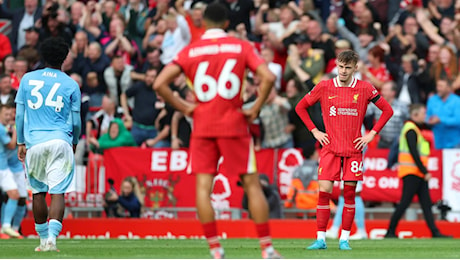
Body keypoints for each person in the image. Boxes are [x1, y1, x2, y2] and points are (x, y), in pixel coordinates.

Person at [153, 3, 282, 259]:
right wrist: (255, 107)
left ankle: (215, 249)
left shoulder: (191, 50)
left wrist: (186, 108)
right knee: (252, 184)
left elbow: (159, 83)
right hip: (234, 122)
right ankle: (267, 249)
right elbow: (268, 77)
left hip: (202, 124)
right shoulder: (241, 46)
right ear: (226, 23)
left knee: (203, 187)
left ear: (203, 23)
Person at [295, 50, 393, 250]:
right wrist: (315, 131)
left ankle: (344, 240)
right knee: (324, 192)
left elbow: (387, 110)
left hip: (353, 150)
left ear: (355, 68)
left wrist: (371, 134)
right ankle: (321, 239)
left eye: (348, 67)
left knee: (349, 195)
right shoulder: (324, 86)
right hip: (330, 148)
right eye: (340, 66)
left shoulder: (365, 88)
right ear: (336, 66)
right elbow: (300, 107)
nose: (343, 71)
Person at [15, 37, 81, 251]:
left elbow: (20, 114)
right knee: (58, 192)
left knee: (38, 192)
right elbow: (77, 121)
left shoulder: (27, 79)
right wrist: (74, 141)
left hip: (34, 142)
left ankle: (43, 241)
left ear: (43, 56)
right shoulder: (71, 84)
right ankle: (52, 239)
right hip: (61, 140)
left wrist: (20, 142)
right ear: (64, 57)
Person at [385, 104, 452, 239]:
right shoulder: (411, 129)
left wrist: (422, 171)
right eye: (422, 113)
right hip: (411, 172)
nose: (424, 116)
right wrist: (424, 170)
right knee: (405, 202)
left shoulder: (413, 129)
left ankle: (435, 232)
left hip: (416, 172)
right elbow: (414, 153)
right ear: (415, 115)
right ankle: (390, 231)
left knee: (426, 204)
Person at [0, 104, 21, 238]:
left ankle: (5, 228)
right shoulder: (1, 129)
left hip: (4, 166)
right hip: (2, 167)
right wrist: (15, 132)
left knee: (11, 195)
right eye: (5, 114)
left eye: (9, 114)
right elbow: (12, 145)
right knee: (14, 194)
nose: (8, 118)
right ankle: (6, 226)